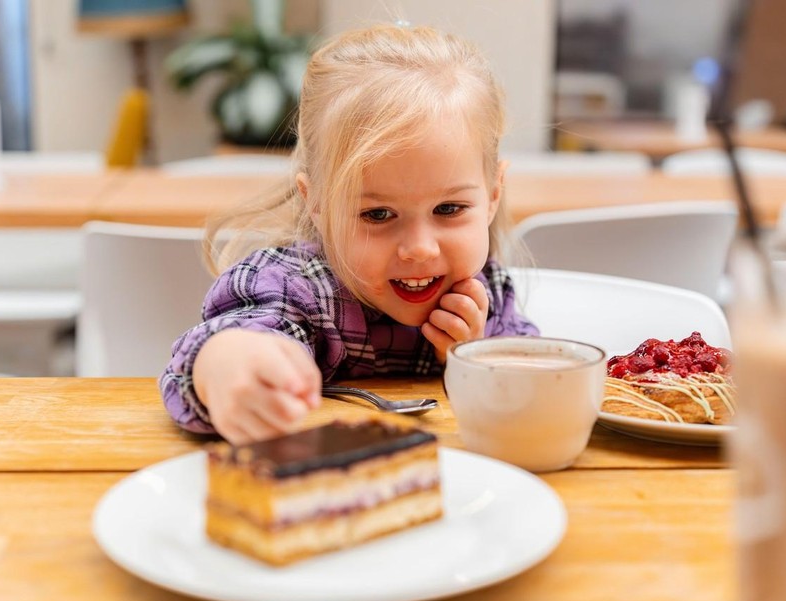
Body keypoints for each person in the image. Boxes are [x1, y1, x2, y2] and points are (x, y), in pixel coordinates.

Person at [160, 24, 538, 444]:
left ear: (492, 195)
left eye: (448, 209)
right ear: (316, 203)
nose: (419, 248)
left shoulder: (488, 295)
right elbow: (211, 353)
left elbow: (535, 396)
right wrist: (227, 363)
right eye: (377, 214)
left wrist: (472, 358)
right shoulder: (294, 288)